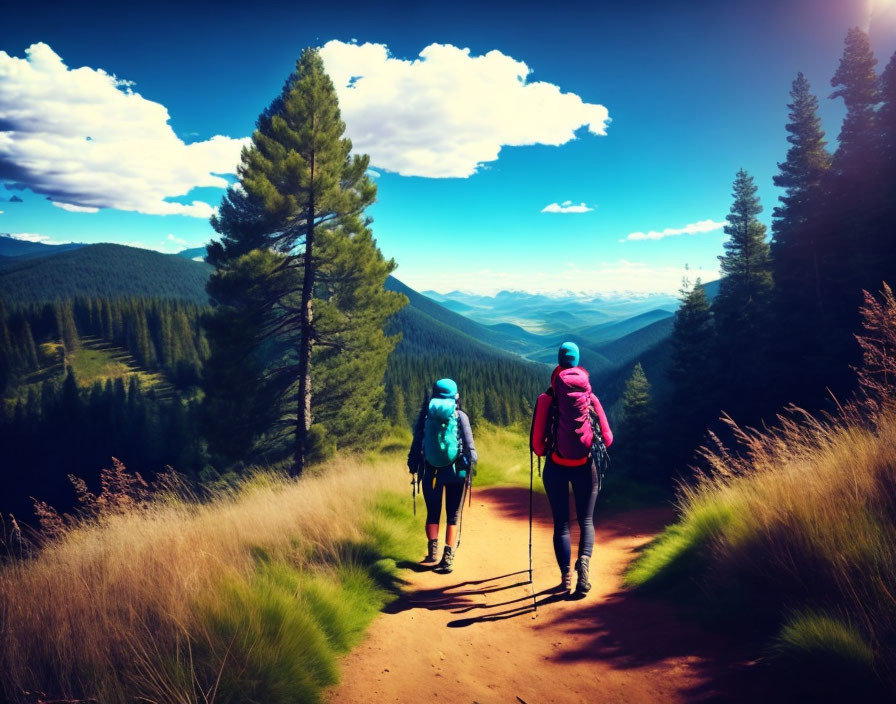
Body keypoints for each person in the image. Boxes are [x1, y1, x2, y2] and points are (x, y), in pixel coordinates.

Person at [530, 342, 613, 596]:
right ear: (577, 362)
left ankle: (565, 578)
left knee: (562, 525)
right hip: (585, 467)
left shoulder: (546, 398)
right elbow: (608, 439)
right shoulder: (590, 397)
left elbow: (537, 446)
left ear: (558, 361)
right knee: (586, 521)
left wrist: (553, 448)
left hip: (556, 467)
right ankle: (584, 567)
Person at [408, 378, 478, 573]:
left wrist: (413, 465)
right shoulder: (460, 416)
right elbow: (471, 450)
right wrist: (471, 463)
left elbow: (416, 446)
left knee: (433, 512)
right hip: (456, 472)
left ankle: (432, 551)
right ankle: (448, 556)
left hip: (431, 472)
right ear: (456, 396)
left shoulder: (425, 417)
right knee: (453, 514)